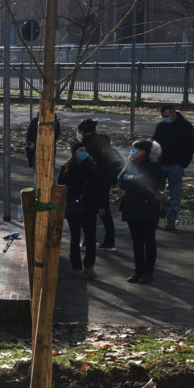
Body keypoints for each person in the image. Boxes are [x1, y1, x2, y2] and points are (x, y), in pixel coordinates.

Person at [118, 139, 165, 284]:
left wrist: (131, 181)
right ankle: (137, 271)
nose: (133, 152)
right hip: (131, 206)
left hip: (148, 207)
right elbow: (121, 179)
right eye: (133, 148)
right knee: (136, 241)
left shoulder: (155, 166)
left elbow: (146, 182)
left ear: (146, 152)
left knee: (149, 241)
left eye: (137, 149)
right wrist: (133, 181)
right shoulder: (131, 163)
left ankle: (148, 273)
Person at [58, 142, 103, 279]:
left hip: (90, 206)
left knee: (91, 237)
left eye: (85, 150)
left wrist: (100, 205)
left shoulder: (92, 167)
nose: (83, 153)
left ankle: (89, 266)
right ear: (74, 152)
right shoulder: (66, 168)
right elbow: (60, 186)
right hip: (73, 205)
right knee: (75, 236)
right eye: (80, 150)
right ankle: (76, 266)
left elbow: (99, 188)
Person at [77, 119, 121, 251]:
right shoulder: (104, 146)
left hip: (90, 184)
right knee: (104, 212)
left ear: (83, 132)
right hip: (104, 184)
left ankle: (89, 241)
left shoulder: (87, 147)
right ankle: (109, 242)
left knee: (88, 214)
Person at [151, 105, 194, 230]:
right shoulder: (161, 126)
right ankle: (155, 218)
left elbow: (190, 146)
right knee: (156, 193)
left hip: (175, 165)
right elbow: (154, 142)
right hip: (160, 164)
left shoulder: (186, 126)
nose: (165, 118)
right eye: (163, 116)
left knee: (174, 195)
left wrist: (183, 163)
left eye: (167, 116)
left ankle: (171, 220)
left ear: (174, 113)